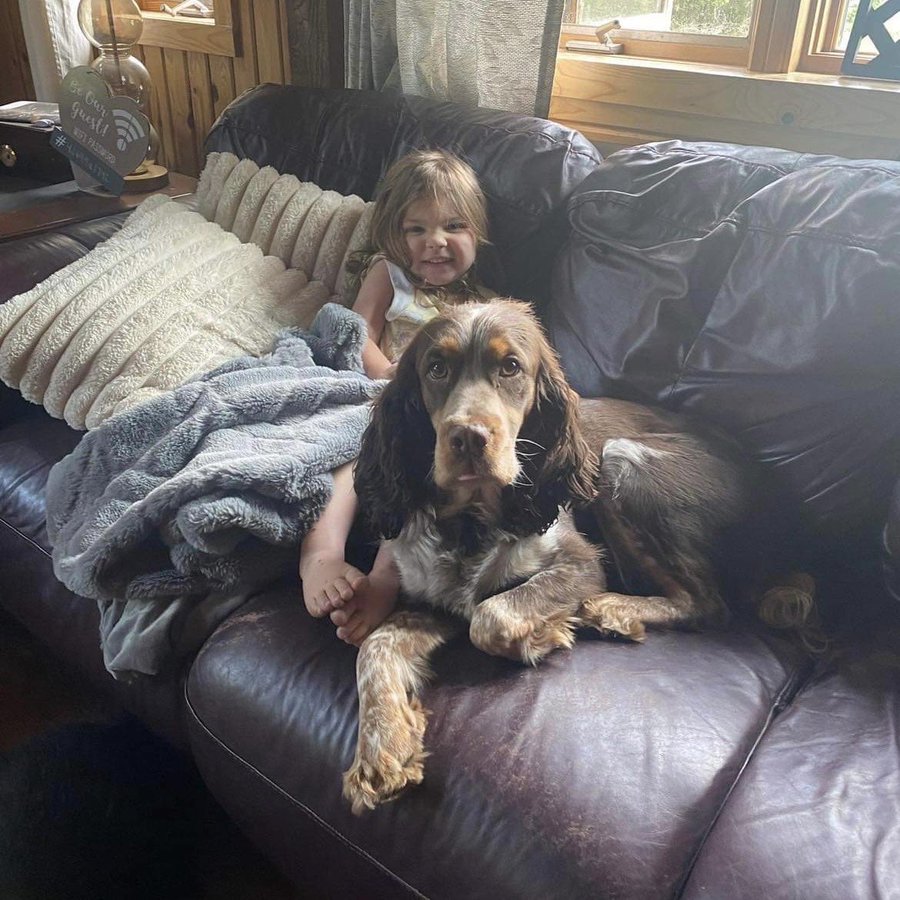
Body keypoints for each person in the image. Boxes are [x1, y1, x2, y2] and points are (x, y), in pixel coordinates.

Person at [299, 149, 495, 645]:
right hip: (376, 393)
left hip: (429, 414)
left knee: (425, 474)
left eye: (454, 225)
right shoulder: (390, 275)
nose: (436, 242)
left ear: (477, 232)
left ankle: (387, 577)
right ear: (393, 235)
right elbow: (358, 328)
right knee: (352, 455)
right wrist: (385, 369)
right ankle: (321, 554)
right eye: (416, 229)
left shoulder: (476, 307)